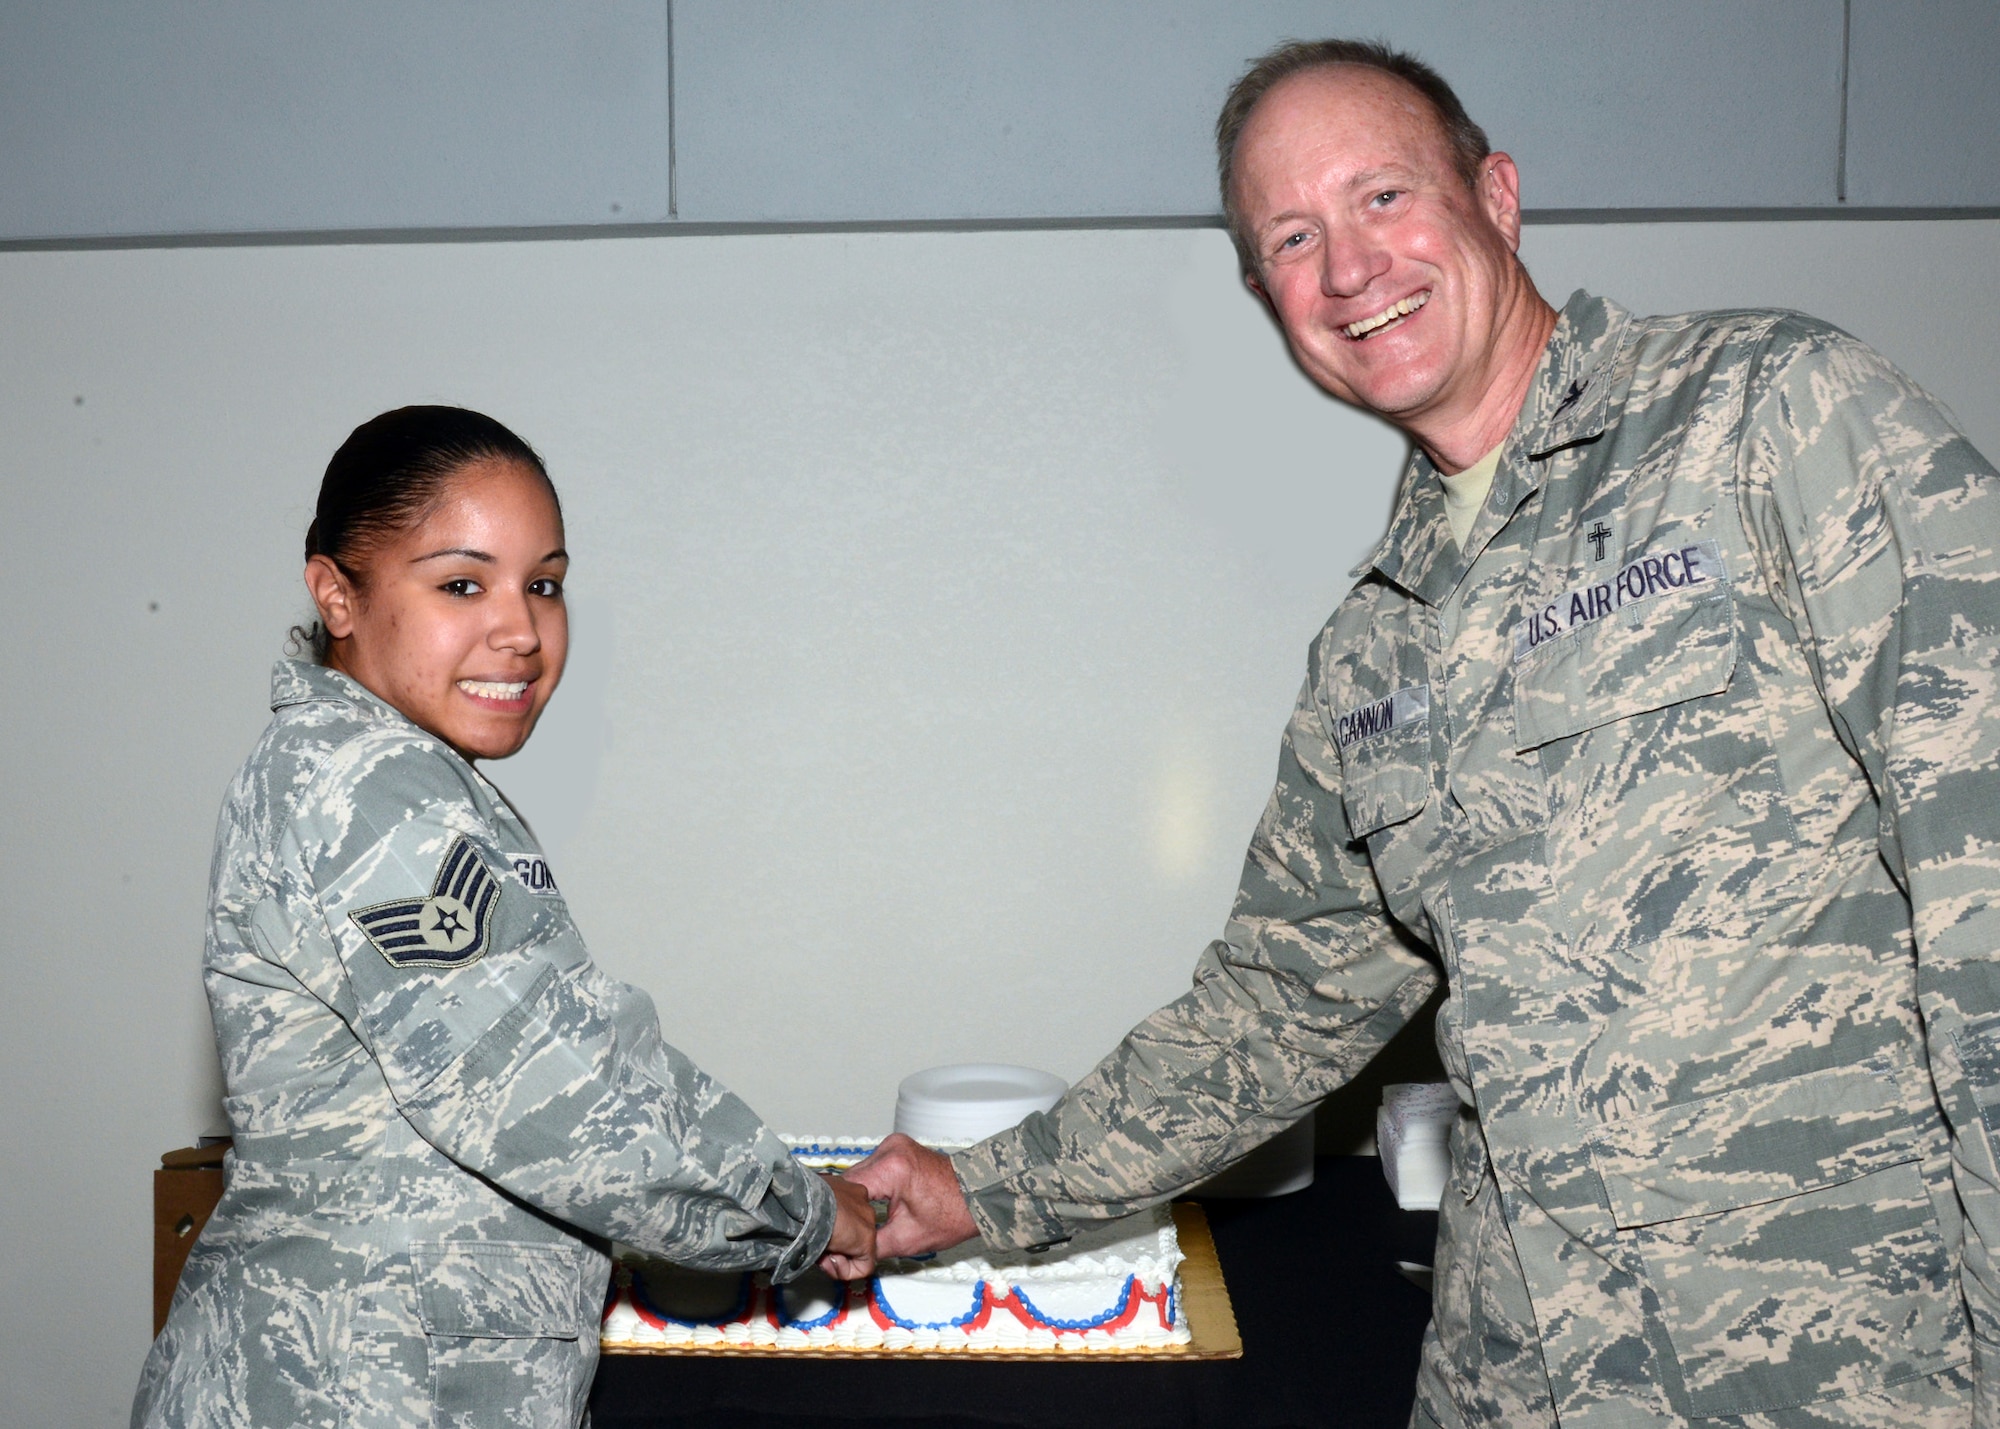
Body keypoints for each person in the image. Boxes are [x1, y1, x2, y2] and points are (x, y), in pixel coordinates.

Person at [851, 38, 2000, 1429]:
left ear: (1497, 197)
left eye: (1383, 196)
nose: (1350, 268)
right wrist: (986, 1185)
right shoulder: (1375, 651)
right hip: (1527, 1376)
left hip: (1853, 1370)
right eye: (1293, 237)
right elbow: (1275, 1006)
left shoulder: (1770, 420)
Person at [133, 406, 877, 1428]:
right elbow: (560, 1099)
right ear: (336, 593)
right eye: (460, 584)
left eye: (543, 584)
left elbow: (555, 1057)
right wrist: (801, 1208)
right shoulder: (366, 785)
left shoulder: (404, 778)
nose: (520, 628)